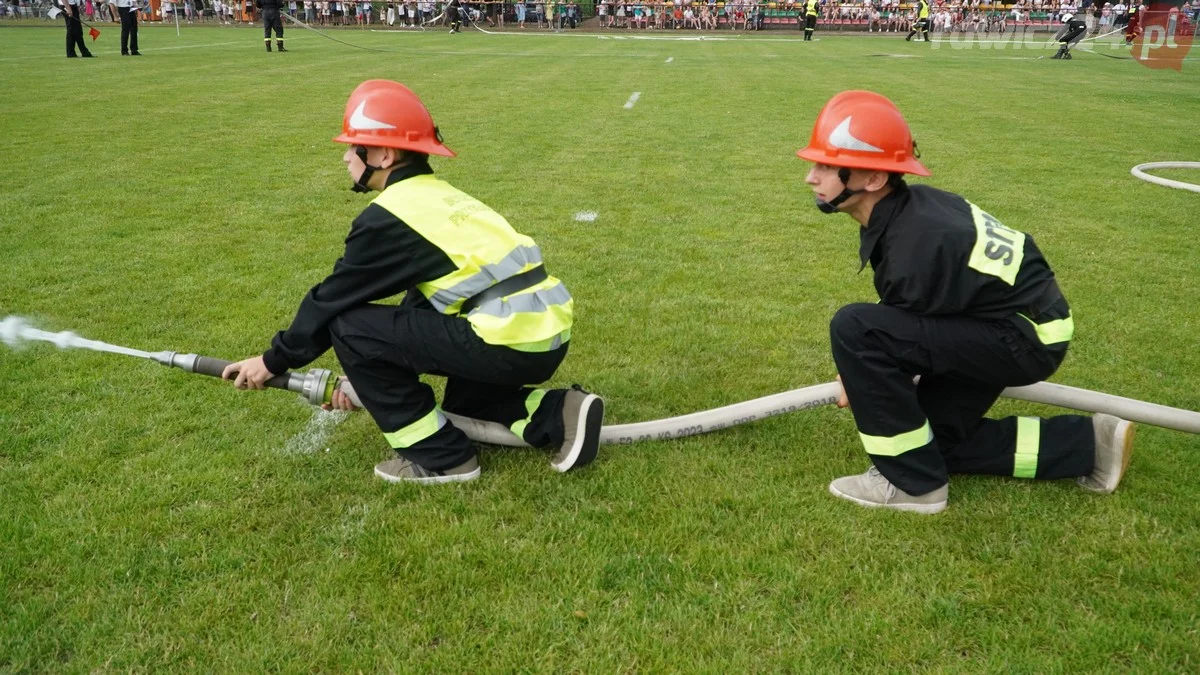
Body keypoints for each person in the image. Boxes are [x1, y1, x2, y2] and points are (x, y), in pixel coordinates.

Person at [223, 80, 604, 484]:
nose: (346, 157)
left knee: (349, 327)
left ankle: (443, 458)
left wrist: (271, 362)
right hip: (541, 334)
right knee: (468, 405)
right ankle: (562, 411)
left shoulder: (390, 216)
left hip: (508, 339)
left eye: (355, 146)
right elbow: (422, 301)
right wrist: (369, 382)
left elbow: (331, 301)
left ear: (384, 154)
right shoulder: (438, 196)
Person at [795, 91, 1134, 514]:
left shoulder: (917, 242)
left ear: (874, 179)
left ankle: (913, 487)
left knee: (854, 327)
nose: (811, 177)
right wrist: (864, 372)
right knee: (928, 441)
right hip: (1005, 324)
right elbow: (911, 317)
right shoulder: (914, 213)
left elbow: (890, 335)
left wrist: (862, 371)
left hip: (1018, 337)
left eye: (826, 165)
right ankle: (1090, 447)